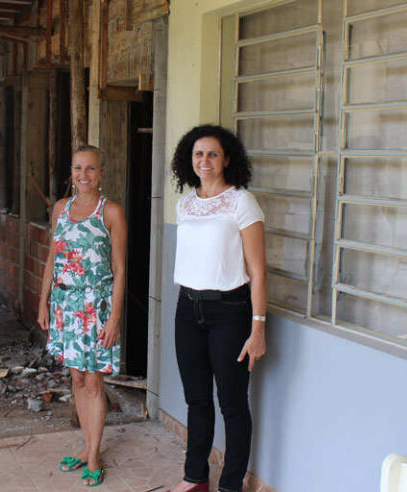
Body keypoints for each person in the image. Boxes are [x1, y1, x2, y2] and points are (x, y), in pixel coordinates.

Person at [168, 125, 267, 492]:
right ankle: (195, 477)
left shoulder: (242, 201)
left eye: (212, 154)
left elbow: (257, 270)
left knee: (232, 403)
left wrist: (257, 328)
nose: (204, 160)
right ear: (188, 160)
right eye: (198, 154)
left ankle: (231, 484)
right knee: (196, 398)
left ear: (227, 159)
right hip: (187, 309)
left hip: (229, 312)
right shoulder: (185, 203)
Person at [37, 145, 127, 487]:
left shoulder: (111, 212)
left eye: (91, 169)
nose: (84, 175)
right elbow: (52, 258)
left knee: (93, 383)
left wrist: (115, 317)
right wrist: (43, 301)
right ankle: (86, 446)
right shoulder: (61, 208)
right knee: (76, 380)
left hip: (98, 308)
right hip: (65, 305)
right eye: (78, 168)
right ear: (71, 172)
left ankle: (93, 454)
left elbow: (119, 268)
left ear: (101, 173)